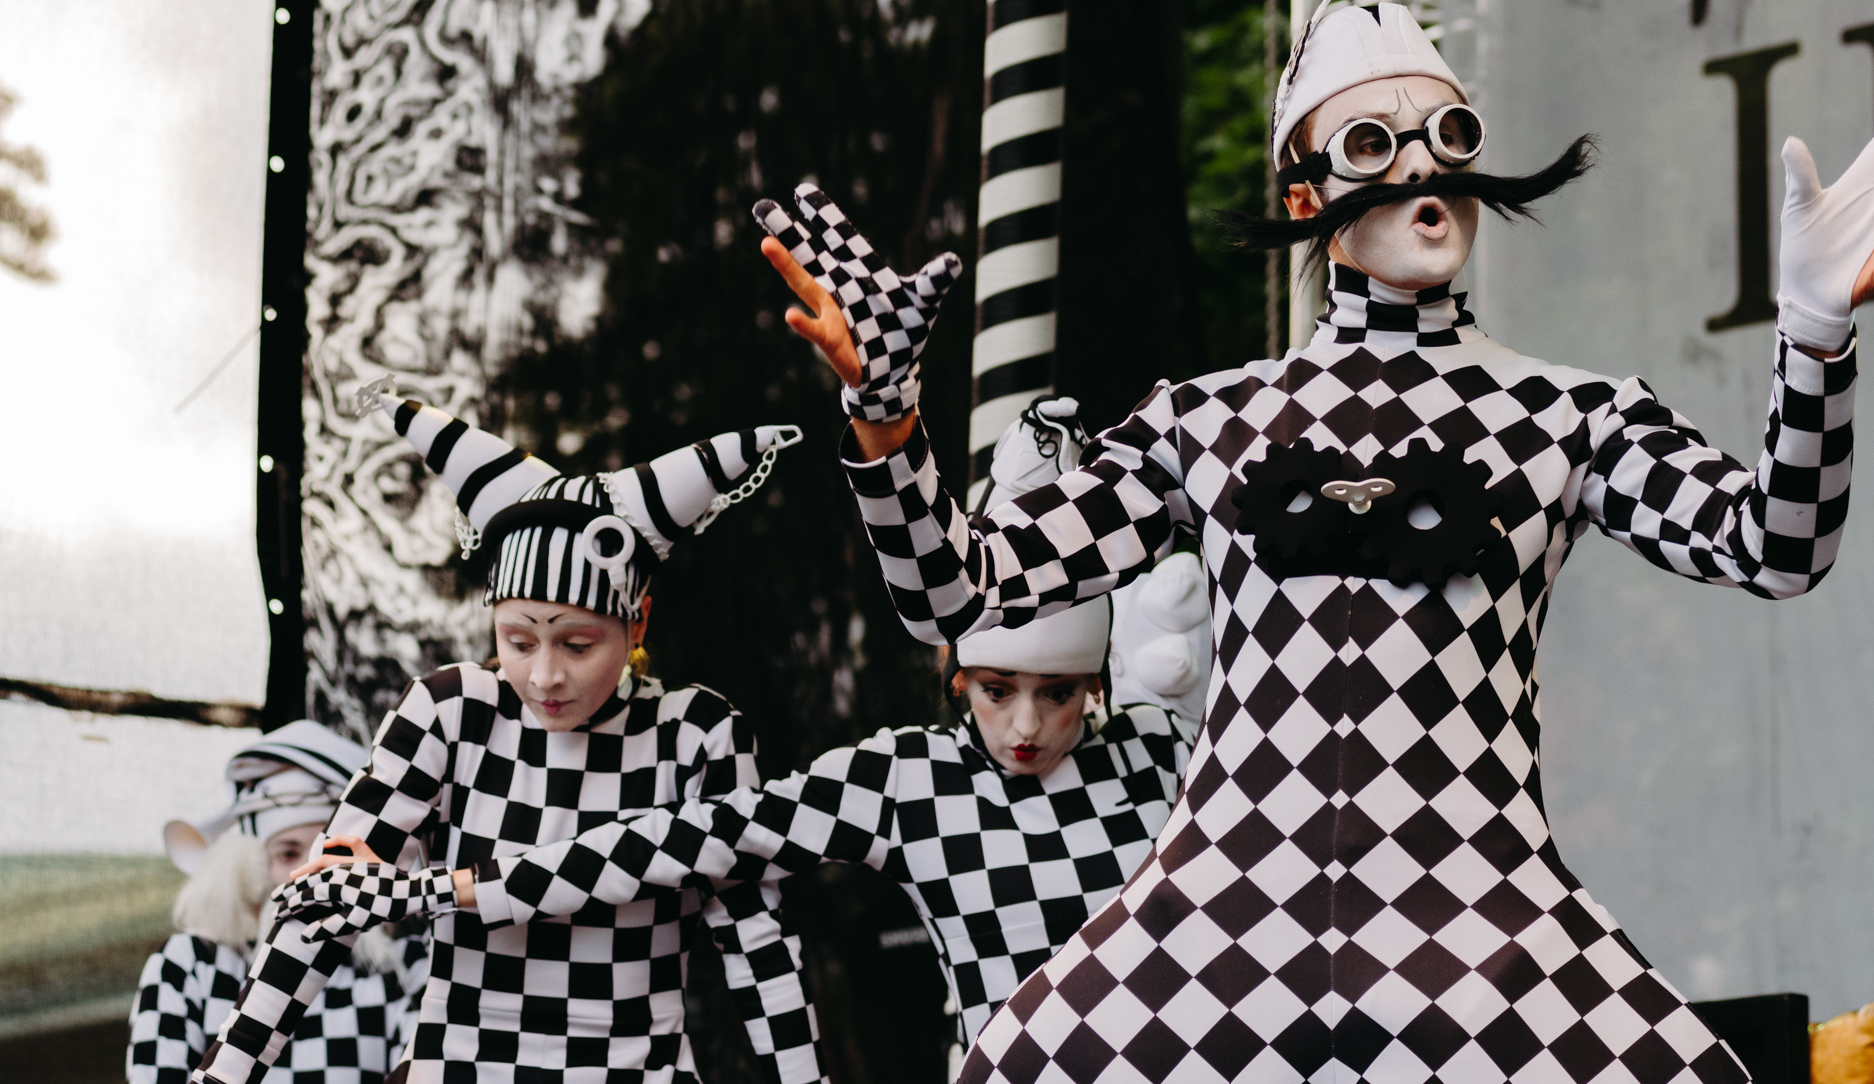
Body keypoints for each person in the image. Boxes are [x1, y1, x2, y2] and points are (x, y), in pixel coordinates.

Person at [290, 0, 1874, 1084]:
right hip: (1224, 903)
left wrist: (1814, 339)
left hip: (1474, 900)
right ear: (1307, 180)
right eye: (1378, 138)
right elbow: (961, 588)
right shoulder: (1212, 416)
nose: (1429, 166)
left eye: (1448, 132)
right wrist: (884, 419)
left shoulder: (1561, 413)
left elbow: (1774, 543)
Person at [272, 401, 1203, 1061]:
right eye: (998, 688)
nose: (1028, 726)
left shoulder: (1162, 750)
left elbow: (736, 912)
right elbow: (663, 849)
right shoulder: (907, 779)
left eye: (1062, 691)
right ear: (957, 677)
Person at [188, 397, 827, 1084]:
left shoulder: (695, 734)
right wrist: (223, 1075)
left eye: (578, 642)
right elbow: (321, 907)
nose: (545, 674)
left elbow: (756, 939)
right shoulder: (449, 709)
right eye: (518, 639)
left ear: (638, 621)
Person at [131, 722, 428, 1084]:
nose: (309, 872)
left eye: (328, 853)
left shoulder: (401, 968)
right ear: (255, 867)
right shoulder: (190, 965)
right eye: (288, 854)